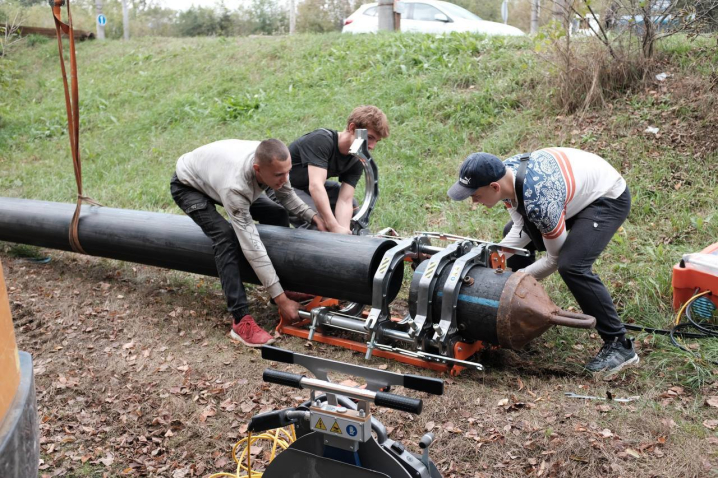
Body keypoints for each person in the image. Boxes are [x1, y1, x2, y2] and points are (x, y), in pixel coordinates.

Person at [447, 148, 637, 374]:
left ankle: (620, 345)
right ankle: (512, 319)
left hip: (605, 197)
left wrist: (509, 285)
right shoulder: (505, 176)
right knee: (511, 231)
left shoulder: (539, 200)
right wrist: (487, 257)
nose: (474, 202)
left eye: (475, 196)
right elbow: (519, 228)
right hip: (566, 193)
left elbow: (554, 260)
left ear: (494, 188)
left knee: (572, 265)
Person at [170, 139, 327, 347]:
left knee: (277, 213)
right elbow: (252, 247)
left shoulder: (272, 162)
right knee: (226, 237)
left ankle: (282, 289)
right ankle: (240, 320)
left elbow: (286, 195)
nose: (285, 179)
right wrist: (283, 303)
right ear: (257, 169)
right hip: (188, 185)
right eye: (279, 175)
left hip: (216, 176)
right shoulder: (236, 187)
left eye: (287, 172)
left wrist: (315, 218)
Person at [286, 105, 390, 234]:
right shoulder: (321, 140)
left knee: (353, 209)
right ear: (352, 128)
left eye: (377, 141)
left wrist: (343, 232)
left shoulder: (357, 158)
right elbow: (316, 186)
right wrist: (333, 226)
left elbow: (345, 199)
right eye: (370, 137)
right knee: (318, 223)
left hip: (307, 186)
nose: (372, 146)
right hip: (283, 188)